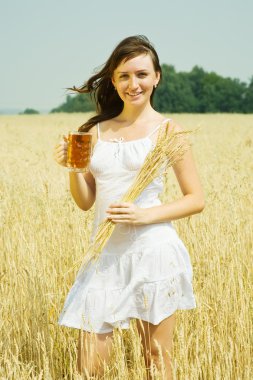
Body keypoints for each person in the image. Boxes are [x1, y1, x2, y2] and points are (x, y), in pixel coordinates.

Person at [54, 35, 205, 379]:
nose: (132, 84)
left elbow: (196, 199)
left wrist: (144, 215)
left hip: (152, 252)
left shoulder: (169, 131)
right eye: (123, 76)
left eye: (140, 74)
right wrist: (75, 170)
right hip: (104, 255)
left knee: (155, 358)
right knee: (88, 367)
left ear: (156, 77)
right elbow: (85, 202)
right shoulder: (94, 131)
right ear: (113, 80)